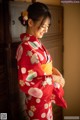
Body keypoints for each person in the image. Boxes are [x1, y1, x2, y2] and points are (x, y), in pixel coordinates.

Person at [16, 2, 67, 120]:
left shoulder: (35, 43)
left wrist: (55, 73)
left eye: (47, 26)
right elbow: (27, 81)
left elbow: (43, 68)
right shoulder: (25, 48)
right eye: (43, 26)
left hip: (44, 100)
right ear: (30, 22)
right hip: (37, 102)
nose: (46, 30)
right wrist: (55, 79)